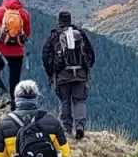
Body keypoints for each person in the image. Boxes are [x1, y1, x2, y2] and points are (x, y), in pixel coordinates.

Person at [41, 10, 96, 140]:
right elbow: (91, 53)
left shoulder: (54, 36)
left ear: (59, 21)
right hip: (80, 74)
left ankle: (66, 129)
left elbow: (45, 55)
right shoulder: (80, 34)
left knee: (65, 101)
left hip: (62, 74)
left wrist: (51, 72)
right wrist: (86, 68)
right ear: (70, 20)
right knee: (79, 101)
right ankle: (80, 126)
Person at [0, 0, 32, 107]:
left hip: (0, 51)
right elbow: (27, 32)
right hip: (18, 52)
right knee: (14, 79)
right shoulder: (24, 13)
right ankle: (14, 108)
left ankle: (3, 95)